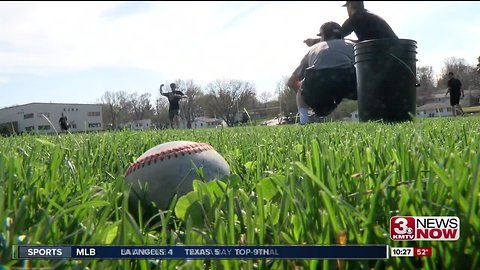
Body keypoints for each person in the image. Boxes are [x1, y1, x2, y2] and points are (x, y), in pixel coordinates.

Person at [287, 21, 357, 118]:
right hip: (347, 83)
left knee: (301, 86)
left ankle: (304, 119)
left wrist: (307, 96)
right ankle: (371, 115)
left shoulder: (313, 49)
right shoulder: (351, 44)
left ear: (322, 36)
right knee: (365, 82)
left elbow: (292, 82)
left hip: (319, 85)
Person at [304, 1, 397, 47]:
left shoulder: (356, 18)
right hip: (399, 52)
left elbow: (335, 38)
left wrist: (314, 42)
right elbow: (363, 42)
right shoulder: (369, 17)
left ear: (350, 5)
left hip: (386, 55)